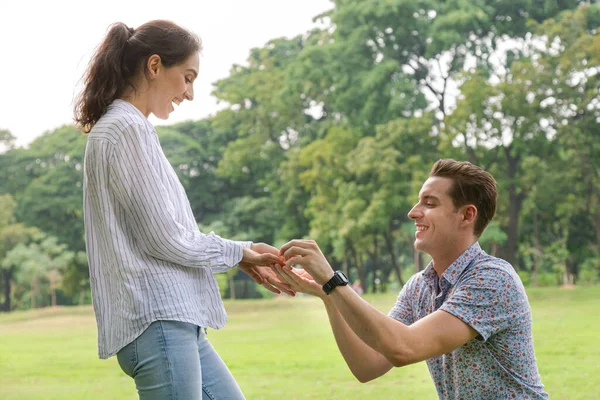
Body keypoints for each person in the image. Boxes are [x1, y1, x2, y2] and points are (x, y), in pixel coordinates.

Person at [75, 20, 292, 400]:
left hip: (175, 322)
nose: (190, 93)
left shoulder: (127, 128)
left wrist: (239, 255)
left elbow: (163, 234)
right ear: (154, 66)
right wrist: (238, 251)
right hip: (160, 322)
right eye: (187, 77)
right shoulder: (125, 128)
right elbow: (166, 239)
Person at [275, 159, 549, 399]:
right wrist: (329, 295)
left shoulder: (493, 280)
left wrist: (333, 280)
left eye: (429, 203)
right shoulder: (420, 287)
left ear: (467, 215)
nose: (413, 212)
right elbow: (368, 365)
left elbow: (403, 348)